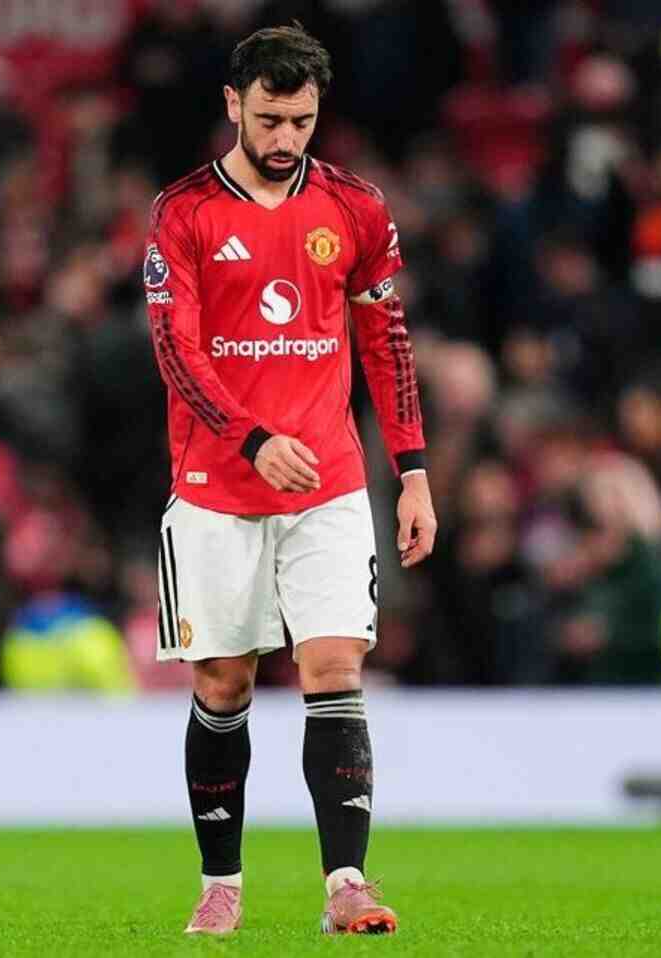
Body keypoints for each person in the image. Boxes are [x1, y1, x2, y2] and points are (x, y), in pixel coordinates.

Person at [142, 24, 436, 937]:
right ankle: (220, 882)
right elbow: (176, 353)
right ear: (234, 103)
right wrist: (251, 437)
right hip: (215, 486)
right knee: (223, 683)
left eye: (301, 122)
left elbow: (387, 341)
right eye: (269, 119)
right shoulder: (183, 212)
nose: (285, 139)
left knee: (334, 665)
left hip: (328, 482)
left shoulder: (355, 207)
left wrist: (413, 470)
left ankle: (348, 884)